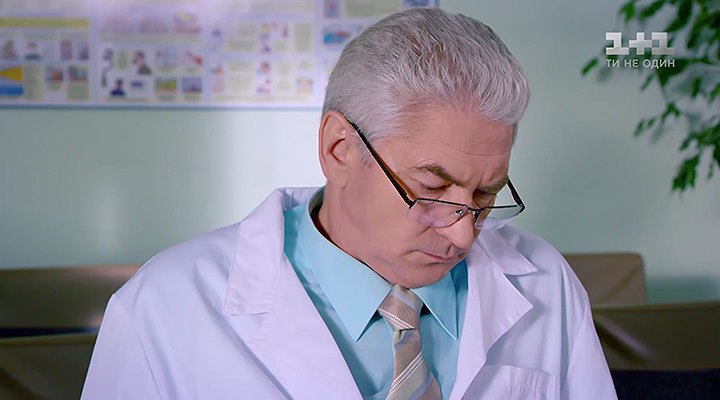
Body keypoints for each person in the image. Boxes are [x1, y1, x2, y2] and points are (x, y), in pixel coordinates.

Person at [82, 7, 617, 400]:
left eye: (484, 194)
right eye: (431, 190)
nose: (462, 233)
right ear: (339, 149)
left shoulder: (546, 282)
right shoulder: (164, 307)